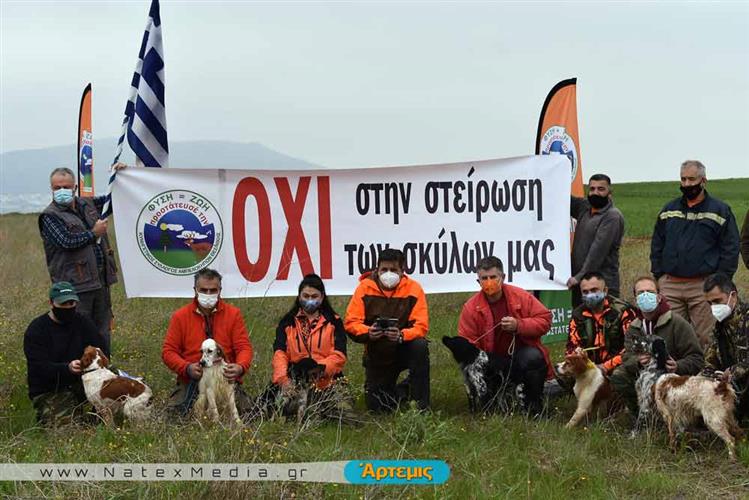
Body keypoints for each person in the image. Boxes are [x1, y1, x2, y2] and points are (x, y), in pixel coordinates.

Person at [650, 160, 740, 346]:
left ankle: (706, 373)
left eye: (692, 179)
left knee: (706, 337)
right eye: (683, 179)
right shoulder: (669, 210)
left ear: (703, 180)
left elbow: (730, 249)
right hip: (671, 286)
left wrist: (719, 281)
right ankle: (674, 374)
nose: (687, 184)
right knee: (670, 337)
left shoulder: (720, 210)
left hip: (703, 286)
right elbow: (657, 244)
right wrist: (659, 275)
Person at [38, 164, 126, 354]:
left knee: (102, 331)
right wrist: (93, 233)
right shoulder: (49, 216)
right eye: (57, 188)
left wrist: (120, 176)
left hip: (100, 282)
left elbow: (113, 200)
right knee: (77, 332)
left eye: (66, 187)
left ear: (75, 188)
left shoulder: (88, 204)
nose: (62, 191)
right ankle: (77, 376)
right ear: (51, 189)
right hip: (74, 287)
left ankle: (103, 371)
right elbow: (66, 242)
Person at [458, 256, 552, 414]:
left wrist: (519, 325)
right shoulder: (470, 308)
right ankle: (492, 402)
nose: (489, 282)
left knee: (534, 357)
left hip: (519, 358)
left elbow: (545, 320)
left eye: (493, 277)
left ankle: (534, 406)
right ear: (478, 281)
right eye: (484, 278)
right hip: (490, 363)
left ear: (503, 277)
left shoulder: (521, 296)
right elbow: (466, 345)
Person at [258, 274, 356, 422]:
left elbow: (339, 355)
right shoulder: (287, 322)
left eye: (314, 296)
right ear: (299, 296)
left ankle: (315, 410)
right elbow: (280, 353)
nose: (310, 299)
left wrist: (321, 369)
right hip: (294, 380)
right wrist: (283, 380)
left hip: (327, 379)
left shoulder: (334, 322)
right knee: (269, 409)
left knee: (346, 415)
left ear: (322, 297)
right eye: (306, 295)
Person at [344, 248, 430, 412]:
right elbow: (351, 323)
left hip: (403, 347)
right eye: (384, 269)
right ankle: (402, 390)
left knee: (420, 345)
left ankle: (421, 406)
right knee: (379, 408)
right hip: (377, 350)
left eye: (393, 270)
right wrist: (368, 332)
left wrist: (402, 335)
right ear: (377, 269)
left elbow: (421, 326)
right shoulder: (364, 288)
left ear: (402, 271)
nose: (388, 274)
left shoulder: (414, 289)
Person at [162, 268, 254, 417]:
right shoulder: (180, 316)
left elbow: (244, 347)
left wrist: (240, 367)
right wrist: (187, 368)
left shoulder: (233, 314)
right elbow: (168, 352)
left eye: (213, 290)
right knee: (175, 416)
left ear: (220, 290)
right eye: (204, 290)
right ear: (195, 290)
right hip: (192, 380)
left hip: (225, 378)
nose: (209, 294)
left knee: (250, 415)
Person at [609, 275, 704, 415]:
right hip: (645, 376)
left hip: (673, 378)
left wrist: (678, 365)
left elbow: (697, 358)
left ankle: (677, 414)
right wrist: (638, 362)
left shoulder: (677, 323)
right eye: (641, 293)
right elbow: (627, 357)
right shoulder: (634, 327)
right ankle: (641, 414)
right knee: (619, 375)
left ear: (659, 297)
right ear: (635, 299)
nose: (645, 295)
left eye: (650, 292)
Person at [23, 282, 106, 425]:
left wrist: (88, 366)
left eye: (72, 303)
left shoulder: (83, 322)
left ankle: (95, 415)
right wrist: (66, 368)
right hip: (51, 388)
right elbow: (38, 367)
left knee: (123, 387)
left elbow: (102, 348)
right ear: (51, 303)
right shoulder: (37, 329)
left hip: (83, 379)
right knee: (67, 433)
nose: (68, 307)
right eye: (63, 304)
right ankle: (66, 417)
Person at [567, 174, 626, 307]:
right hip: (581, 285)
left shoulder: (612, 217)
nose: (595, 193)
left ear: (609, 193)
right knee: (581, 323)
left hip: (602, 285)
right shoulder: (585, 207)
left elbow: (597, 252)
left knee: (604, 325)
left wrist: (577, 277)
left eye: (601, 189)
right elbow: (562, 198)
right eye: (592, 189)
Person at [565, 272, 637, 376]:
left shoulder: (623, 311)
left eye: (594, 290)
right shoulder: (577, 315)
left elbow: (631, 348)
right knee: (563, 373)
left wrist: (606, 367)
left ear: (605, 290)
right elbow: (571, 346)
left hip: (617, 364)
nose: (590, 295)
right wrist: (577, 354)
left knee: (620, 375)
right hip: (589, 365)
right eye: (585, 292)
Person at [702, 273, 749, 421]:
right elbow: (710, 360)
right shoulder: (719, 327)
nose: (714, 307)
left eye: (717, 301)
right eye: (710, 303)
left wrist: (732, 373)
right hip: (732, 386)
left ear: (733, 296)